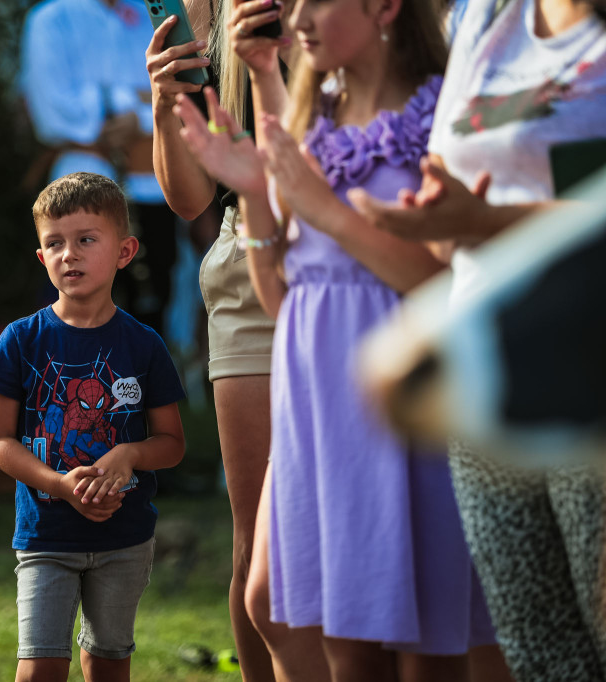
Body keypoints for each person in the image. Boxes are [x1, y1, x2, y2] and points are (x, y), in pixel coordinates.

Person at [172, 0, 500, 672]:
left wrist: (324, 210)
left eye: (311, 1)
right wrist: (257, 195)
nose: (294, 16)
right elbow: (280, 294)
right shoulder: (313, 115)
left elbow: (445, 282)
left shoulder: (446, 112)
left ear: (384, 6)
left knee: (422, 652)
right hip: (318, 401)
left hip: (404, 399)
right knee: (317, 628)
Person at [348, 0, 606, 676]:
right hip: (484, 381)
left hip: (588, 388)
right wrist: (439, 217)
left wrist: (488, 218)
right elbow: (450, 199)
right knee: (539, 652)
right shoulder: (483, 16)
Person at [146, 2, 328, 680]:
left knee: (364, 521)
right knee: (259, 543)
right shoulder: (200, 8)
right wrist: (166, 103)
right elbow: (191, 198)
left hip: (354, 247)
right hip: (247, 258)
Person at [0, 172, 186, 682]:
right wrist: (59, 486)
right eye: (55, 243)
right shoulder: (20, 340)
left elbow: (172, 443)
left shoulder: (145, 346)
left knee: (109, 663)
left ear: (124, 250)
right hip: (46, 533)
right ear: (41, 257)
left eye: (86, 240)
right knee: (39, 667)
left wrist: (129, 455)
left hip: (126, 538)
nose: (69, 254)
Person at [20, 0, 178, 334]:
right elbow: (55, 110)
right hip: (79, 191)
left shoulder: (151, 13)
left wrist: (132, 112)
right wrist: (139, 104)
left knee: (150, 322)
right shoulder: (52, 19)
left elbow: (180, 95)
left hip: (154, 190)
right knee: (76, 321)